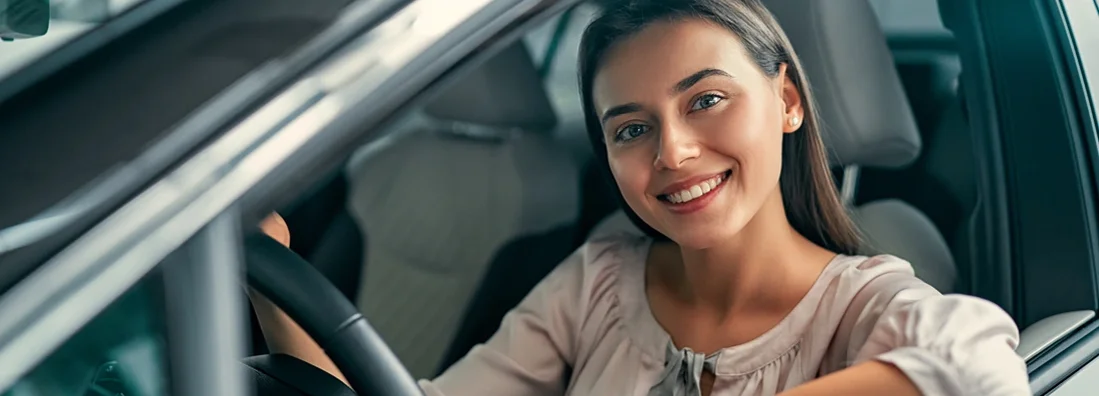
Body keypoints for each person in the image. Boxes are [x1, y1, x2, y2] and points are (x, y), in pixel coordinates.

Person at [252, 0, 1031, 394]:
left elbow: (979, 369)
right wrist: (273, 272)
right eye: (629, 129)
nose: (672, 152)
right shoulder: (600, 280)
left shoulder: (862, 305)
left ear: (788, 100)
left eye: (705, 100)